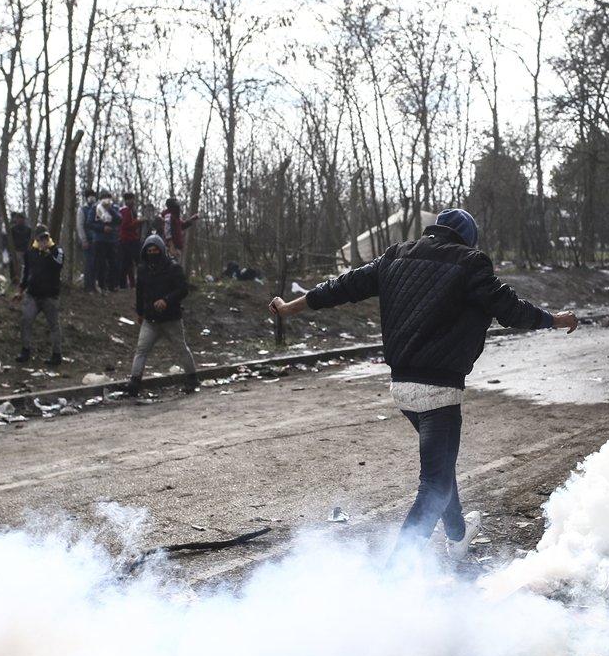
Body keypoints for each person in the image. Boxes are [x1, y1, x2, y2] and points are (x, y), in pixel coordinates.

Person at [268, 208, 578, 559]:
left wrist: (289, 308)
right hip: (439, 392)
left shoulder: (395, 256)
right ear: (468, 240)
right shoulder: (470, 263)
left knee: (440, 470)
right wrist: (555, 319)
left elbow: (342, 287)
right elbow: (511, 310)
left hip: (402, 388)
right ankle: (395, 574)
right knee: (435, 485)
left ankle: (458, 536)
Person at [127, 235, 198, 396]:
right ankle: (134, 381)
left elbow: (183, 289)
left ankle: (192, 377)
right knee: (141, 350)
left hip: (171, 318)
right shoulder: (143, 270)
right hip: (150, 319)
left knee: (181, 348)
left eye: (155, 250)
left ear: (161, 251)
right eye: (149, 251)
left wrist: (167, 300)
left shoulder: (173, 268)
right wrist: (140, 312)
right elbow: (140, 293)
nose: (152, 254)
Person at [14, 225, 64, 366]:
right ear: (36, 239)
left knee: (54, 325)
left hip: (50, 295)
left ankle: (57, 354)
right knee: (26, 321)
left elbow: (59, 265)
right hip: (33, 294)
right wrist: (20, 290)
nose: (44, 241)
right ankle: (25, 350)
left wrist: (48, 253)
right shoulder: (30, 253)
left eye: (46, 238)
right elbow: (26, 273)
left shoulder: (57, 251)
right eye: (41, 238)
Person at [91, 191, 120, 292]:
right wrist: (102, 228)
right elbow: (90, 223)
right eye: (104, 198)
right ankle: (101, 285)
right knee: (101, 264)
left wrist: (110, 209)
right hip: (99, 240)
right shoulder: (95, 208)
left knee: (113, 263)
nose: (106, 200)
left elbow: (119, 219)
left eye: (108, 198)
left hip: (112, 240)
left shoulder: (114, 208)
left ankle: (112, 285)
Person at [118, 192, 142, 289]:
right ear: (126, 200)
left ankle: (133, 283)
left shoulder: (132, 211)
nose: (132, 201)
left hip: (132, 239)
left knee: (130, 262)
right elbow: (125, 225)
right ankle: (123, 284)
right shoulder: (125, 211)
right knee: (126, 262)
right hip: (127, 240)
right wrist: (138, 222)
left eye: (133, 199)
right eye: (130, 199)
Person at [78, 188, 98, 292]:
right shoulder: (82, 209)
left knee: (95, 263)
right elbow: (80, 226)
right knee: (88, 263)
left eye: (93, 196)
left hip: (96, 240)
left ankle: (94, 285)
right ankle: (88, 286)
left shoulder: (97, 208)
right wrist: (83, 240)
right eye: (90, 196)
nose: (92, 198)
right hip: (87, 240)